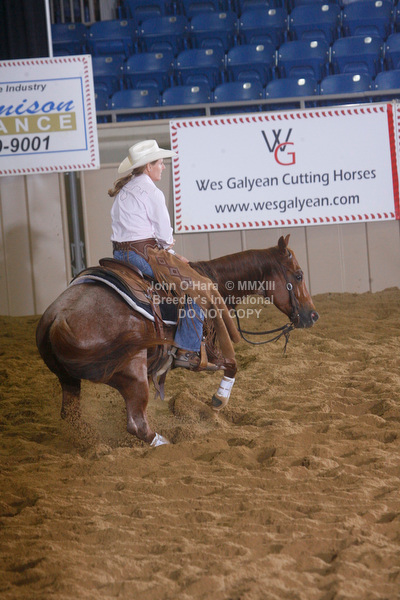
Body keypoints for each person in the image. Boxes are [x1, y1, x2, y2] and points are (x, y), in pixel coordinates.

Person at [108, 139, 205, 369]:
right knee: (196, 290)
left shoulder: (125, 190)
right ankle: (187, 349)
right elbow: (163, 234)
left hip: (119, 257)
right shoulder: (152, 192)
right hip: (142, 256)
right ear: (148, 166)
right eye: (160, 163)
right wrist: (171, 251)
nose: (163, 167)